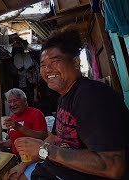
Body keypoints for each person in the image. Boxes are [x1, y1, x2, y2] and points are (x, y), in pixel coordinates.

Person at [15, 27, 129, 179]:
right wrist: (23, 163)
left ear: (75, 62)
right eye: (43, 64)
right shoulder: (64, 97)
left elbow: (113, 166)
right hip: (52, 171)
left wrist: (44, 150)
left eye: (54, 61)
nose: (47, 69)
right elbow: (54, 137)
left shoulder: (92, 96)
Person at [0, 88, 48, 180]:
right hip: (16, 156)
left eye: (15, 101)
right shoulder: (12, 117)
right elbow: (13, 141)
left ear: (25, 101)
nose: (12, 104)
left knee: (11, 177)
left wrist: (18, 127)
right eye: (10, 102)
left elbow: (43, 137)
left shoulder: (36, 114)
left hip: (33, 157)